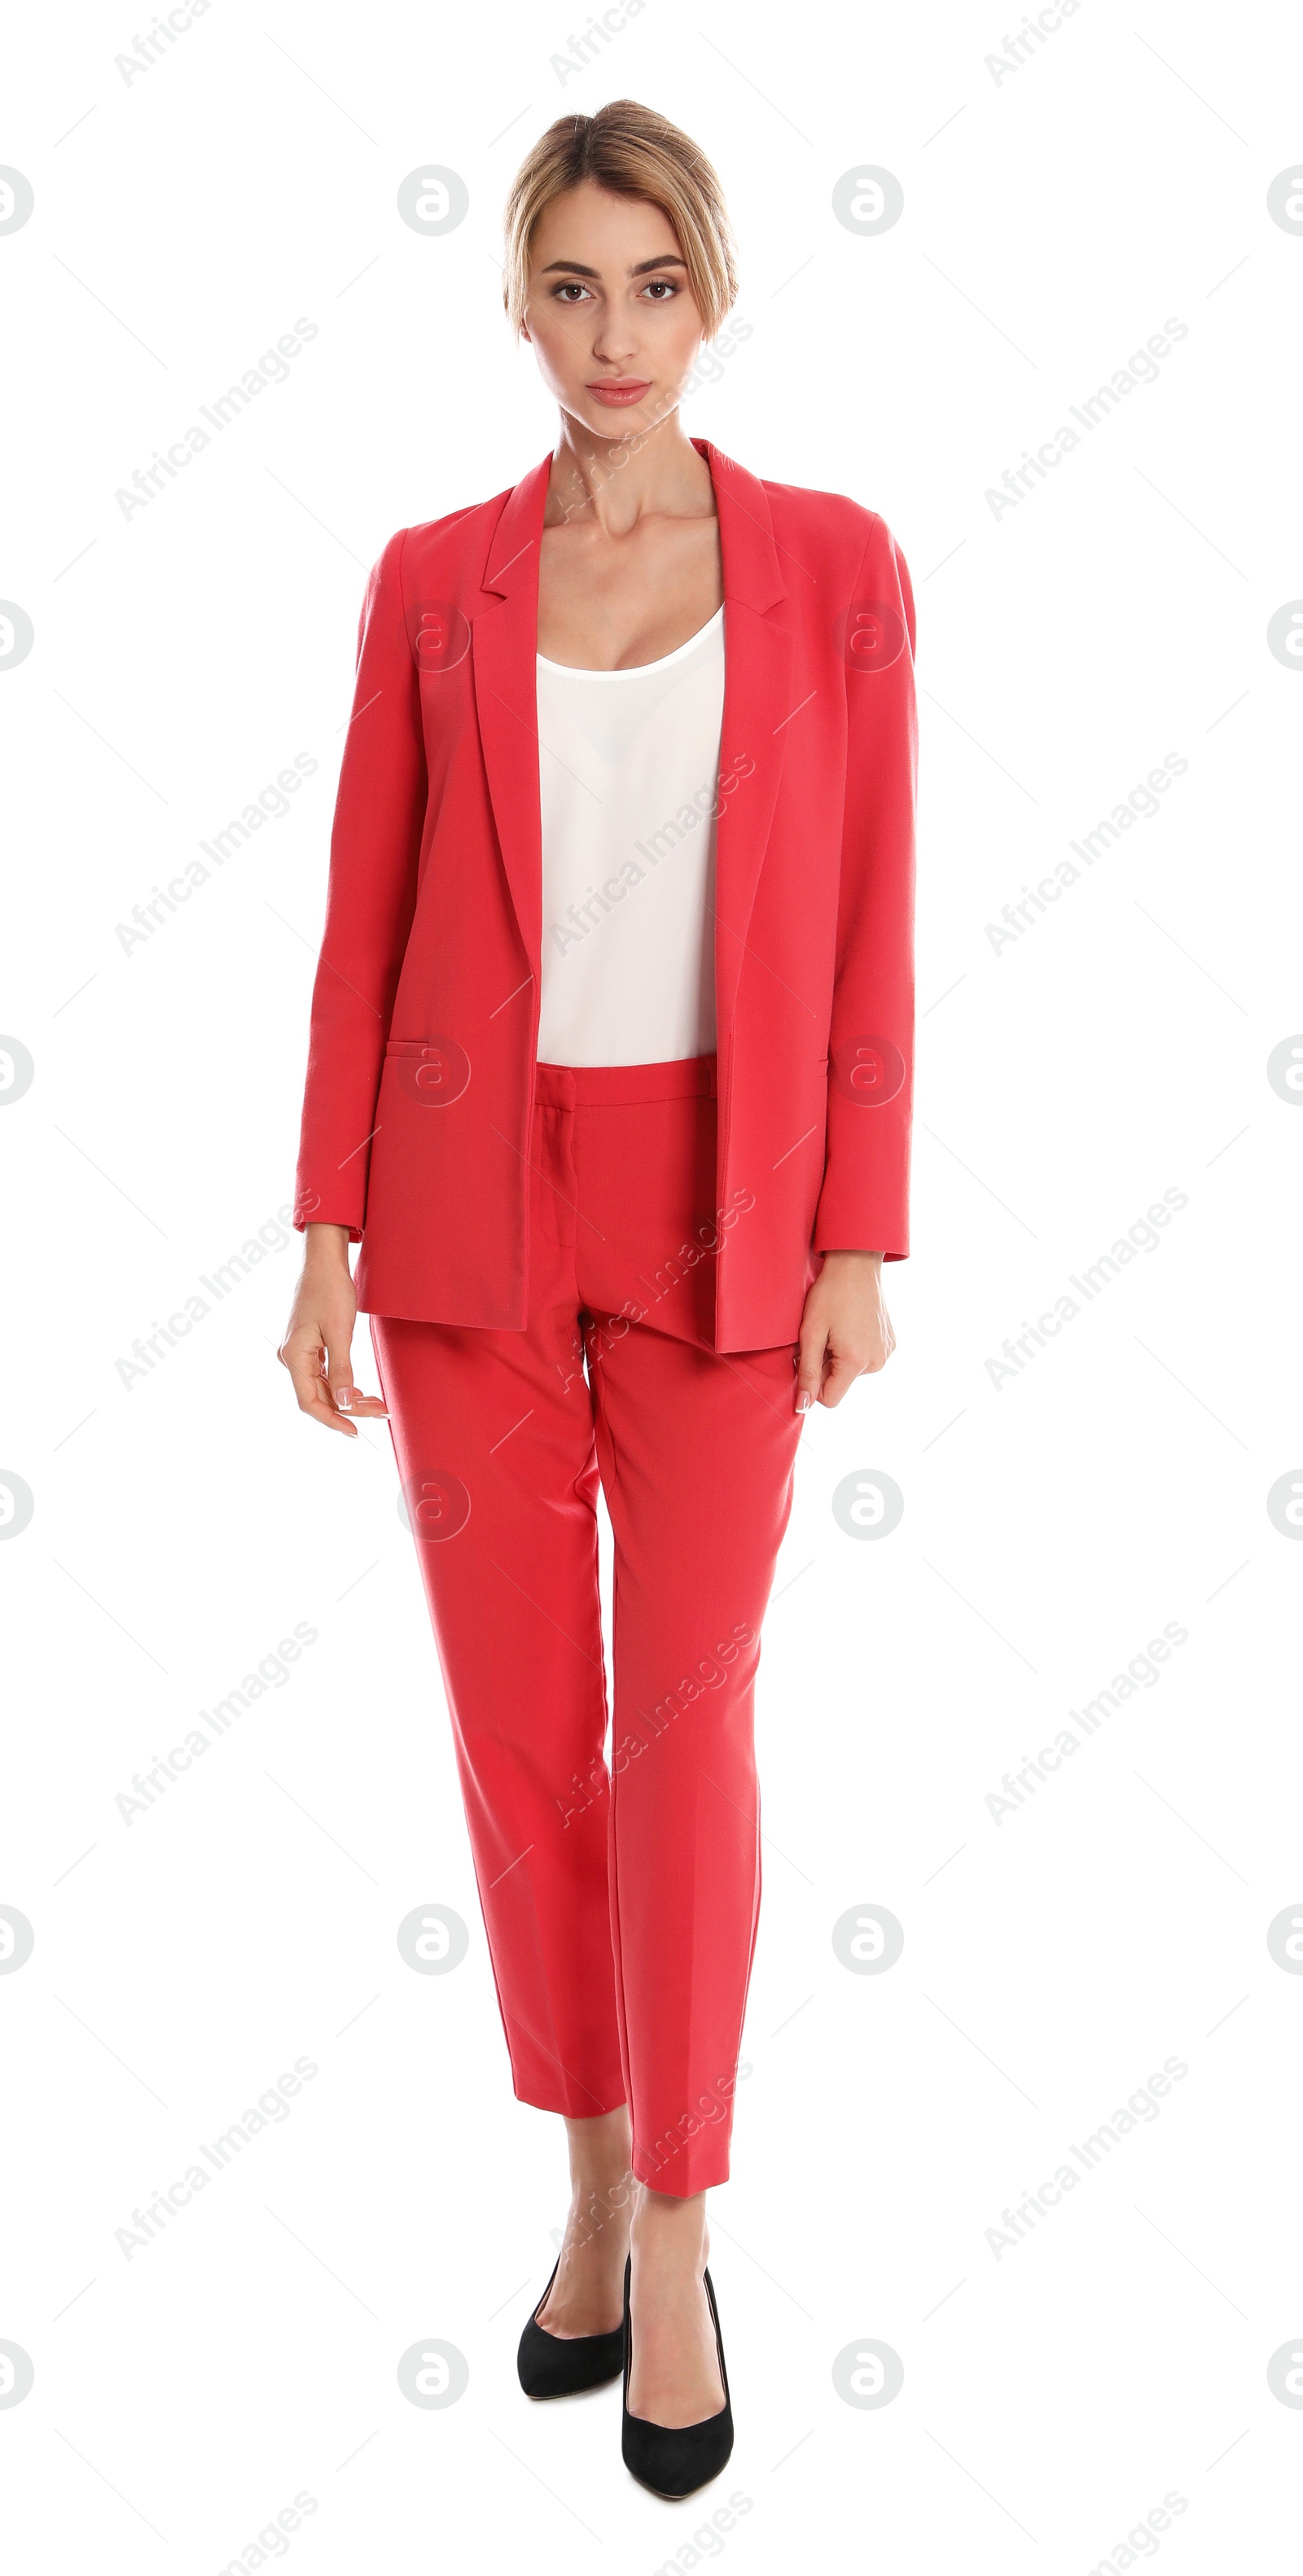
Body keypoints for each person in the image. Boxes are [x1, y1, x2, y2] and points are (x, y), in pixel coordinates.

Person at [279, 98, 916, 2501]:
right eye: (571, 286)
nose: (613, 333)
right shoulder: (432, 576)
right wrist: (326, 1229)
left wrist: (862, 1220)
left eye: (655, 284)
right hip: (465, 1201)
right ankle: (574, 2181)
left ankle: (677, 2237)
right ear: (516, 304)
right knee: (530, 1739)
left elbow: (872, 901)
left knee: (692, 1725)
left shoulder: (838, 566)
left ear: (717, 293)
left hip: (727, 1207)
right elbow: (366, 910)